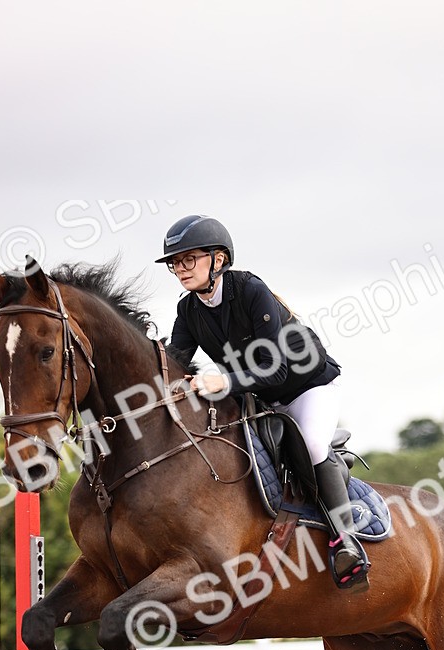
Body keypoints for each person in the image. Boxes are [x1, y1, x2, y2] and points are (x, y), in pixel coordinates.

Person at [157, 214, 369, 590]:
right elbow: (175, 362)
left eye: (189, 259)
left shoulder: (251, 291)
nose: (180, 269)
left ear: (218, 260)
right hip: (260, 397)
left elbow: (275, 370)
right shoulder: (188, 310)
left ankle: (346, 541)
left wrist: (221, 381)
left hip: (308, 386)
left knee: (314, 444)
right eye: (176, 262)